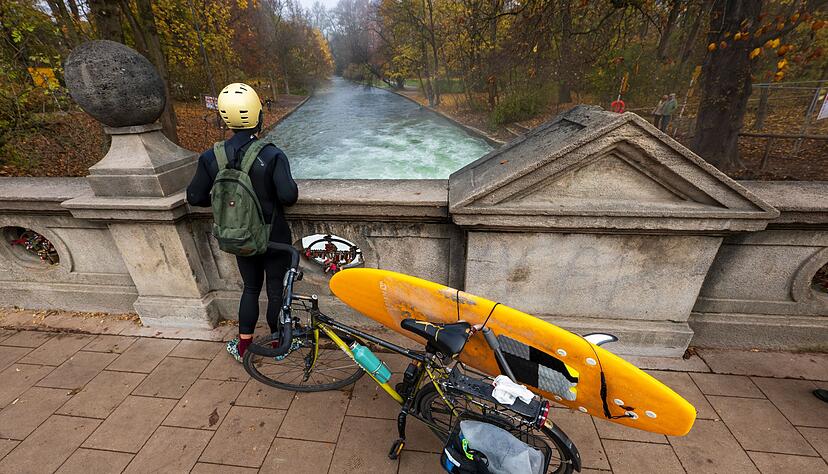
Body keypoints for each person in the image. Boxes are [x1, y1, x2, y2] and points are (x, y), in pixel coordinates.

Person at [186, 82, 298, 362]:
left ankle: (244, 346)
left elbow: (194, 196)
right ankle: (277, 346)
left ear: (225, 119)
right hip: (273, 236)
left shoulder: (211, 156)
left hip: (238, 235)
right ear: (259, 115)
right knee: (275, 290)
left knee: (250, 288)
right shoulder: (272, 154)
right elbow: (288, 195)